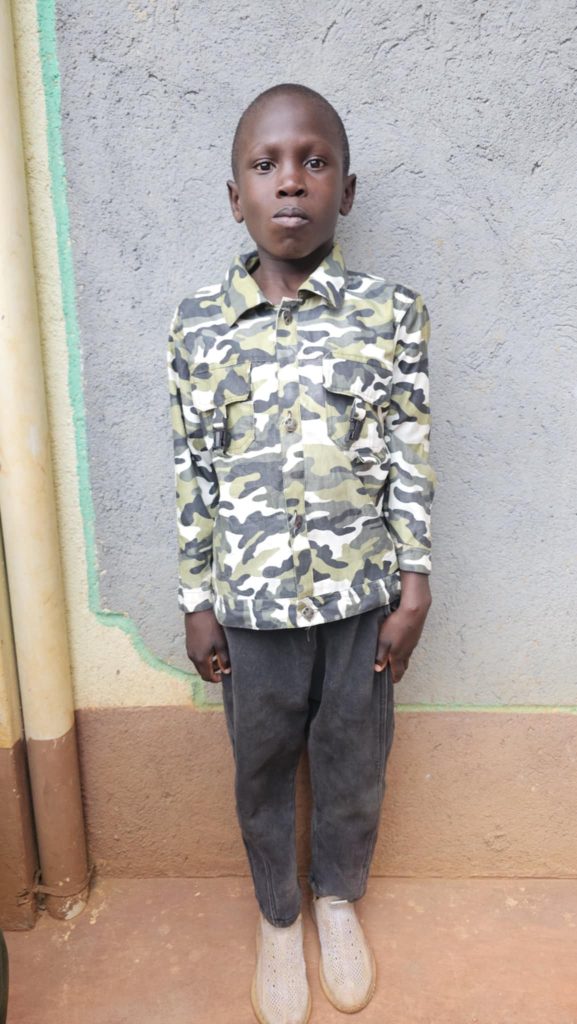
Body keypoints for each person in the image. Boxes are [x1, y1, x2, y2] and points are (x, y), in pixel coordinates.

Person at [167, 83, 435, 1024]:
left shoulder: (390, 314)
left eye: (314, 163)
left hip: (361, 596)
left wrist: (413, 581)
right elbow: (191, 469)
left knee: (354, 756)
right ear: (233, 195)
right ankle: (279, 915)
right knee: (262, 761)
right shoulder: (198, 326)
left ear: (345, 191)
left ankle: (335, 899)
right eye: (265, 164)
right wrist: (196, 598)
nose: (290, 182)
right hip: (249, 607)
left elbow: (408, 453)